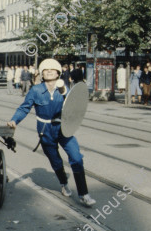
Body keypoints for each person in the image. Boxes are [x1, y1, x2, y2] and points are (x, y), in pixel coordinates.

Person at [7, 59, 96, 207]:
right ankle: (63, 183)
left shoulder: (64, 88)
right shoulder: (35, 90)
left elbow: (74, 106)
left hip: (64, 128)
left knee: (76, 158)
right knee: (56, 161)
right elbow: (24, 108)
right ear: (41, 73)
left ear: (58, 73)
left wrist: (66, 94)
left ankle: (84, 194)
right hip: (45, 131)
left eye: (52, 69)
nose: (49, 71)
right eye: (46, 69)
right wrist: (14, 120)